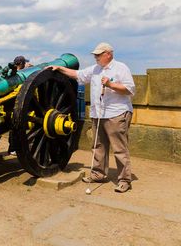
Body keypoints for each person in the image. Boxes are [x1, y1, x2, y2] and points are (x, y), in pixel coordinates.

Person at [48, 42, 135, 193]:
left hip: (116, 113)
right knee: (98, 146)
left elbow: (129, 89)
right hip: (98, 114)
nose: (96, 57)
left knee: (119, 149)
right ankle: (98, 174)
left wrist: (110, 85)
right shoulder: (95, 69)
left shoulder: (121, 68)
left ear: (108, 54)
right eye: (95, 55)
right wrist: (60, 68)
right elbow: (77, 74)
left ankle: (124, 180)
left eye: (99, 55)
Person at [8, 55, 32, 155]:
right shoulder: (19, 74)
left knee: (13, 128)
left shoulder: (11, 72)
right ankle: (13, 148)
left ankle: (12, 148)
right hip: (17, 105)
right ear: (22, 64)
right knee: (16, 127)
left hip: (12, 104)